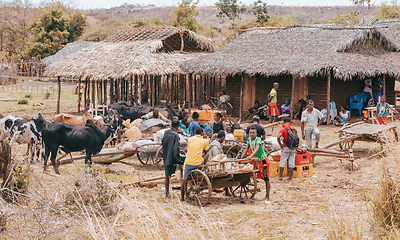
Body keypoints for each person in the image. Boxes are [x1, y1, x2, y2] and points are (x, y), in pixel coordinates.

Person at [241, 127, 271, 201]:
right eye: (250, 133)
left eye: (253, 133)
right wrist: (241, 158)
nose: (251, 134)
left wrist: (250, 156)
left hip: (263, 160)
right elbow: (246, 148)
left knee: (266, 178)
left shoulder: (258, 139)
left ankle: (267, 196)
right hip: (256, 161)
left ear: (256, 134)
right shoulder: (249, 139)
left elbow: (257, 148)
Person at [181, 127, 209, 201]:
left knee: (184, 180)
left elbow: (188, 149)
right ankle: (203, 167)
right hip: (198, 163)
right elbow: (206, 151)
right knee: (207, 153)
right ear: (202, 133)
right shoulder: (205, 141)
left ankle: (182, 198)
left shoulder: (190, 139)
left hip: (188, 162)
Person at [162, 119, 184, 198]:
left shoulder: (166, 132)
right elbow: (175, 149)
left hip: (166, 155)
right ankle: (168, 194)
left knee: (167, 175)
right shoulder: (175, 135)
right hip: (171, 156)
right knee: (169, 175)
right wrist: (178, 160)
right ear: (178, 126)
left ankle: (167, 192)